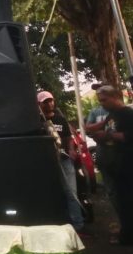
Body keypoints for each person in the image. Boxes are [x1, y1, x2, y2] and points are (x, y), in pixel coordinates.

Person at [88, 85, 133, 245]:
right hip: (116, 166)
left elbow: (128, 136)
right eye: (100, 101)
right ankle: (126, 232)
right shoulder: (111, 115)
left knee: (128, 201)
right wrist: (100, 135)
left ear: (114, 97)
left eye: (104, 100)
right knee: (122, 202)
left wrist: (108, 136)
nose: (102, 104)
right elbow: (96, 129)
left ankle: (128, 238)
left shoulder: (127, 114)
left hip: (128, 165)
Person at [37, 90, 85, 231]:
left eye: (51, 100)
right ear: (38, 104)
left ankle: (78, 224)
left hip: (64, 159)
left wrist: (71, 149)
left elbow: (69, 138)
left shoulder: (60, 119)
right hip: (46, 163)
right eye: (45, 102)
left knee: (71, 192)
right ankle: (55, 222)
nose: (49, 104)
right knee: (50, 191)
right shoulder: (36, 121)